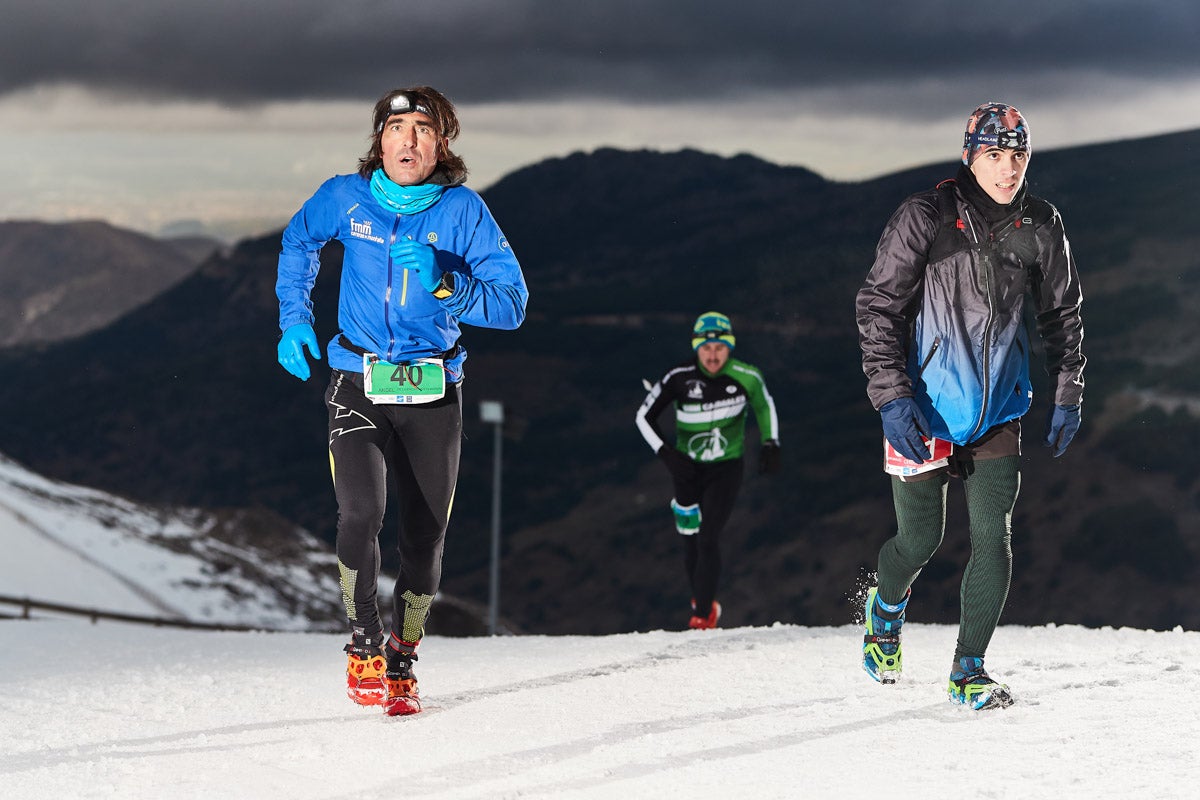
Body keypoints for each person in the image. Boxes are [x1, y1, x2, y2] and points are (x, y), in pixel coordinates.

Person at [276, 86, 528, 716]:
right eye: (396, 129)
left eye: (422, 129)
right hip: (356, 379)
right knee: (360, 512)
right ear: (379, 140)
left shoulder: (464, 211)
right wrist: (294, 319)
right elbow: (299, 242)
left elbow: (512, 306)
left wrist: (447, 282)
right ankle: (363, 641)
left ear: (442, 143)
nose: (407, 140)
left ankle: (402, 656)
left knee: (425, 536)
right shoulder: (345, 196)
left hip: (433, 388)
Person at [855, 102, 1085, 709]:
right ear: (969, 156)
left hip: (1000, 408)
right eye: (995, 154)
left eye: (1018, 155)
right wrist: (892, 398)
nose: (1008, 168)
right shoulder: (926, 216)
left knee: (994, 538)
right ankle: (885, 610)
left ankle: (968, 671)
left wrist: (1067, 390)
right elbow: (879, 308)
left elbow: (1061, 313)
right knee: (920, 540)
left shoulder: (1040, 223)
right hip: (923, 407)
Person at [636, 312, 781, 629]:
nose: (713, 356)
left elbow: (763, 404)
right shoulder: (679, 377)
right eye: (706, 348)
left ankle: (702, 616)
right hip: (685, 470)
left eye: (719, 348)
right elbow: (643, 417)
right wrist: (667, 454)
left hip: (726, 469)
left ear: (729, 348)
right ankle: (703, 602)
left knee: (708, 537)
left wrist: (771, 442)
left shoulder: (746, 376)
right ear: (696, 348)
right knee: (690, 540)